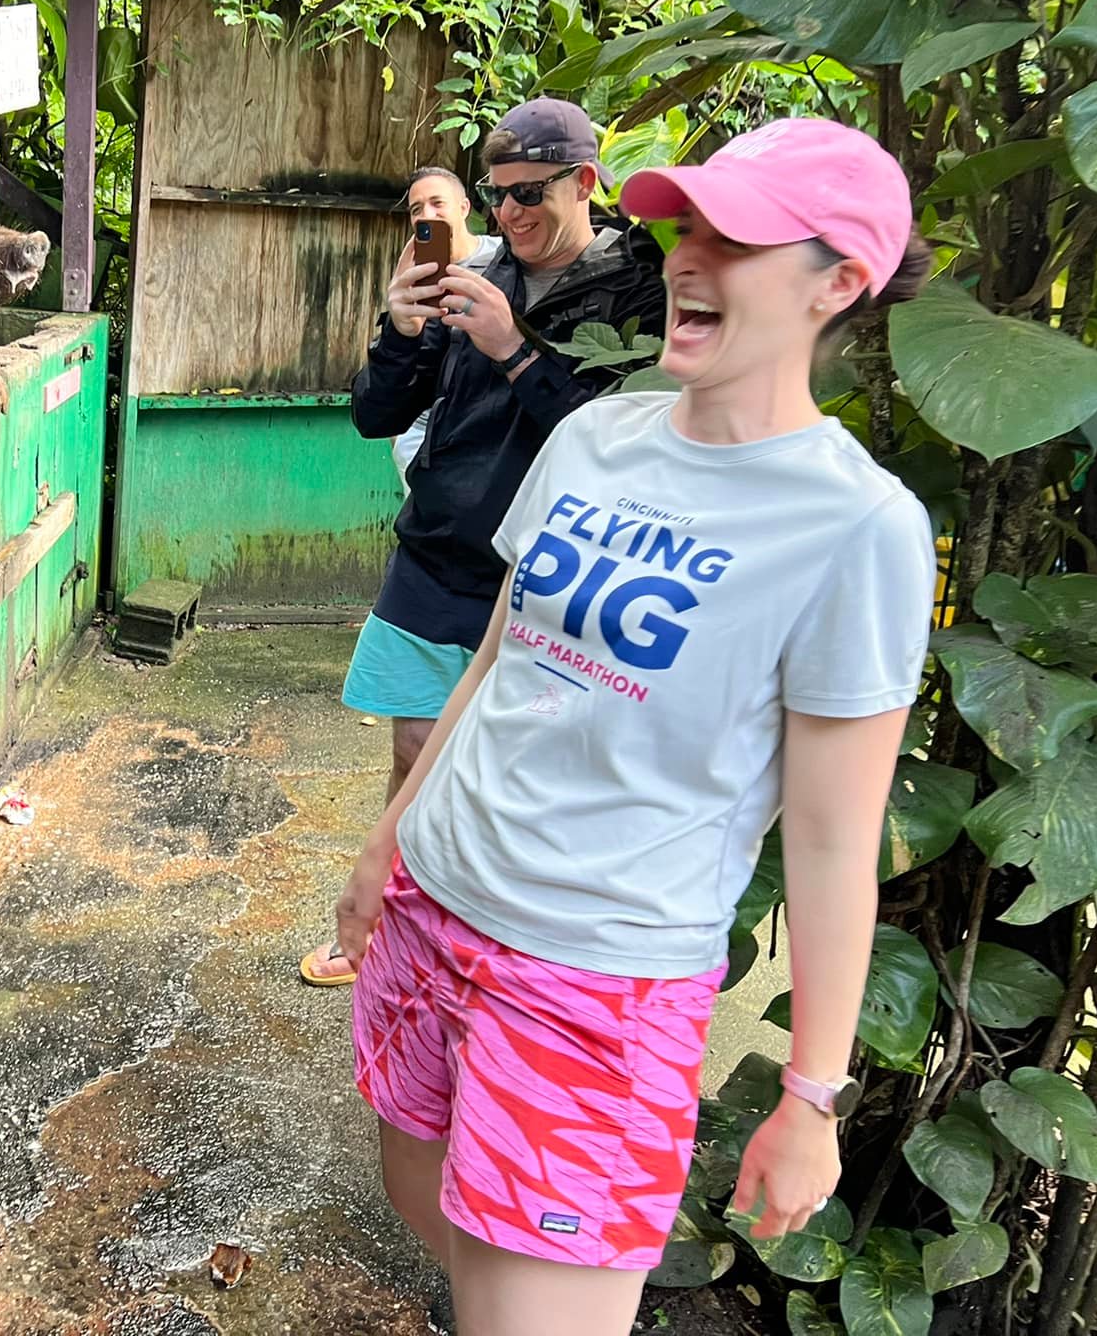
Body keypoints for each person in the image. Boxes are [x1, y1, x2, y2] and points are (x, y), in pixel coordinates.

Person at [335, 116, 940, 1336]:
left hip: (590, 980)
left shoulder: (854, 526)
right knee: (422, 1199)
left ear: (838, 282)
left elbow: (831, 841)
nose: (687, 258)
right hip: (434, 906)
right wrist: (385, 844)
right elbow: (497, 662)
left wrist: (812, 1095)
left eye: (738, 239)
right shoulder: (595, 438)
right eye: (686, 227)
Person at [300, 98, 665, 988]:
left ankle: (495, 955)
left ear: (587, 182)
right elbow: (377, 416)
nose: (507, 215)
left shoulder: (641, 289)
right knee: (417, 754)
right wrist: (400, 329)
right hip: (437, 553)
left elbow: (625, 452)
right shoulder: (482, 267)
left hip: (551, 582)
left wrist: (515, 350)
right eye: (494, 195)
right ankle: (390, 927)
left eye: (530, 193)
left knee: (524, 778)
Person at [388, 166, 502, 483]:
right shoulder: (413, 273)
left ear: (464, 208)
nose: (427, 214)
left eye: (438, 203)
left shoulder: (502, 259)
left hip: (482, 424)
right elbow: (398, 365)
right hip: (422, 426)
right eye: (416, 209)